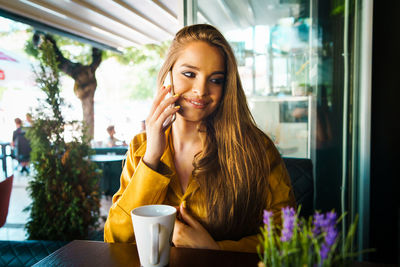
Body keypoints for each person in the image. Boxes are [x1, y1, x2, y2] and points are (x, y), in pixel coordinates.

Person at [104, 24, 295, 252]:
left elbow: (287, 235)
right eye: (189, 74)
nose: (201, 90)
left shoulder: (256, 148)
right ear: (168, 75)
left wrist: (216, 250)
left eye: (216, 80)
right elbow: (115, 240)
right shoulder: (141, 148)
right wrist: (152, 156)